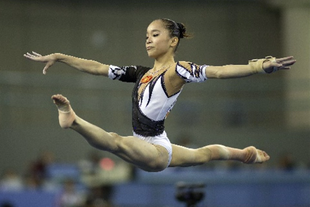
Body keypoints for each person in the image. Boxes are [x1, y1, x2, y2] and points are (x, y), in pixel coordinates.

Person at [24, 18, 296, 172]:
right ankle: (245, 154)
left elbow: (219, 72)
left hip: (155, 149)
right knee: (204, 154)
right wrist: (60, 56)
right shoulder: (140, 72)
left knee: (116, 142)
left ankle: (73, 121)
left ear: (173, 41)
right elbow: (97, 67)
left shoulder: (179, 71)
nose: (148, 39)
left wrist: (258, 66)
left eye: (155, 34)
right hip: (156, 142)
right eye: (146, 35)